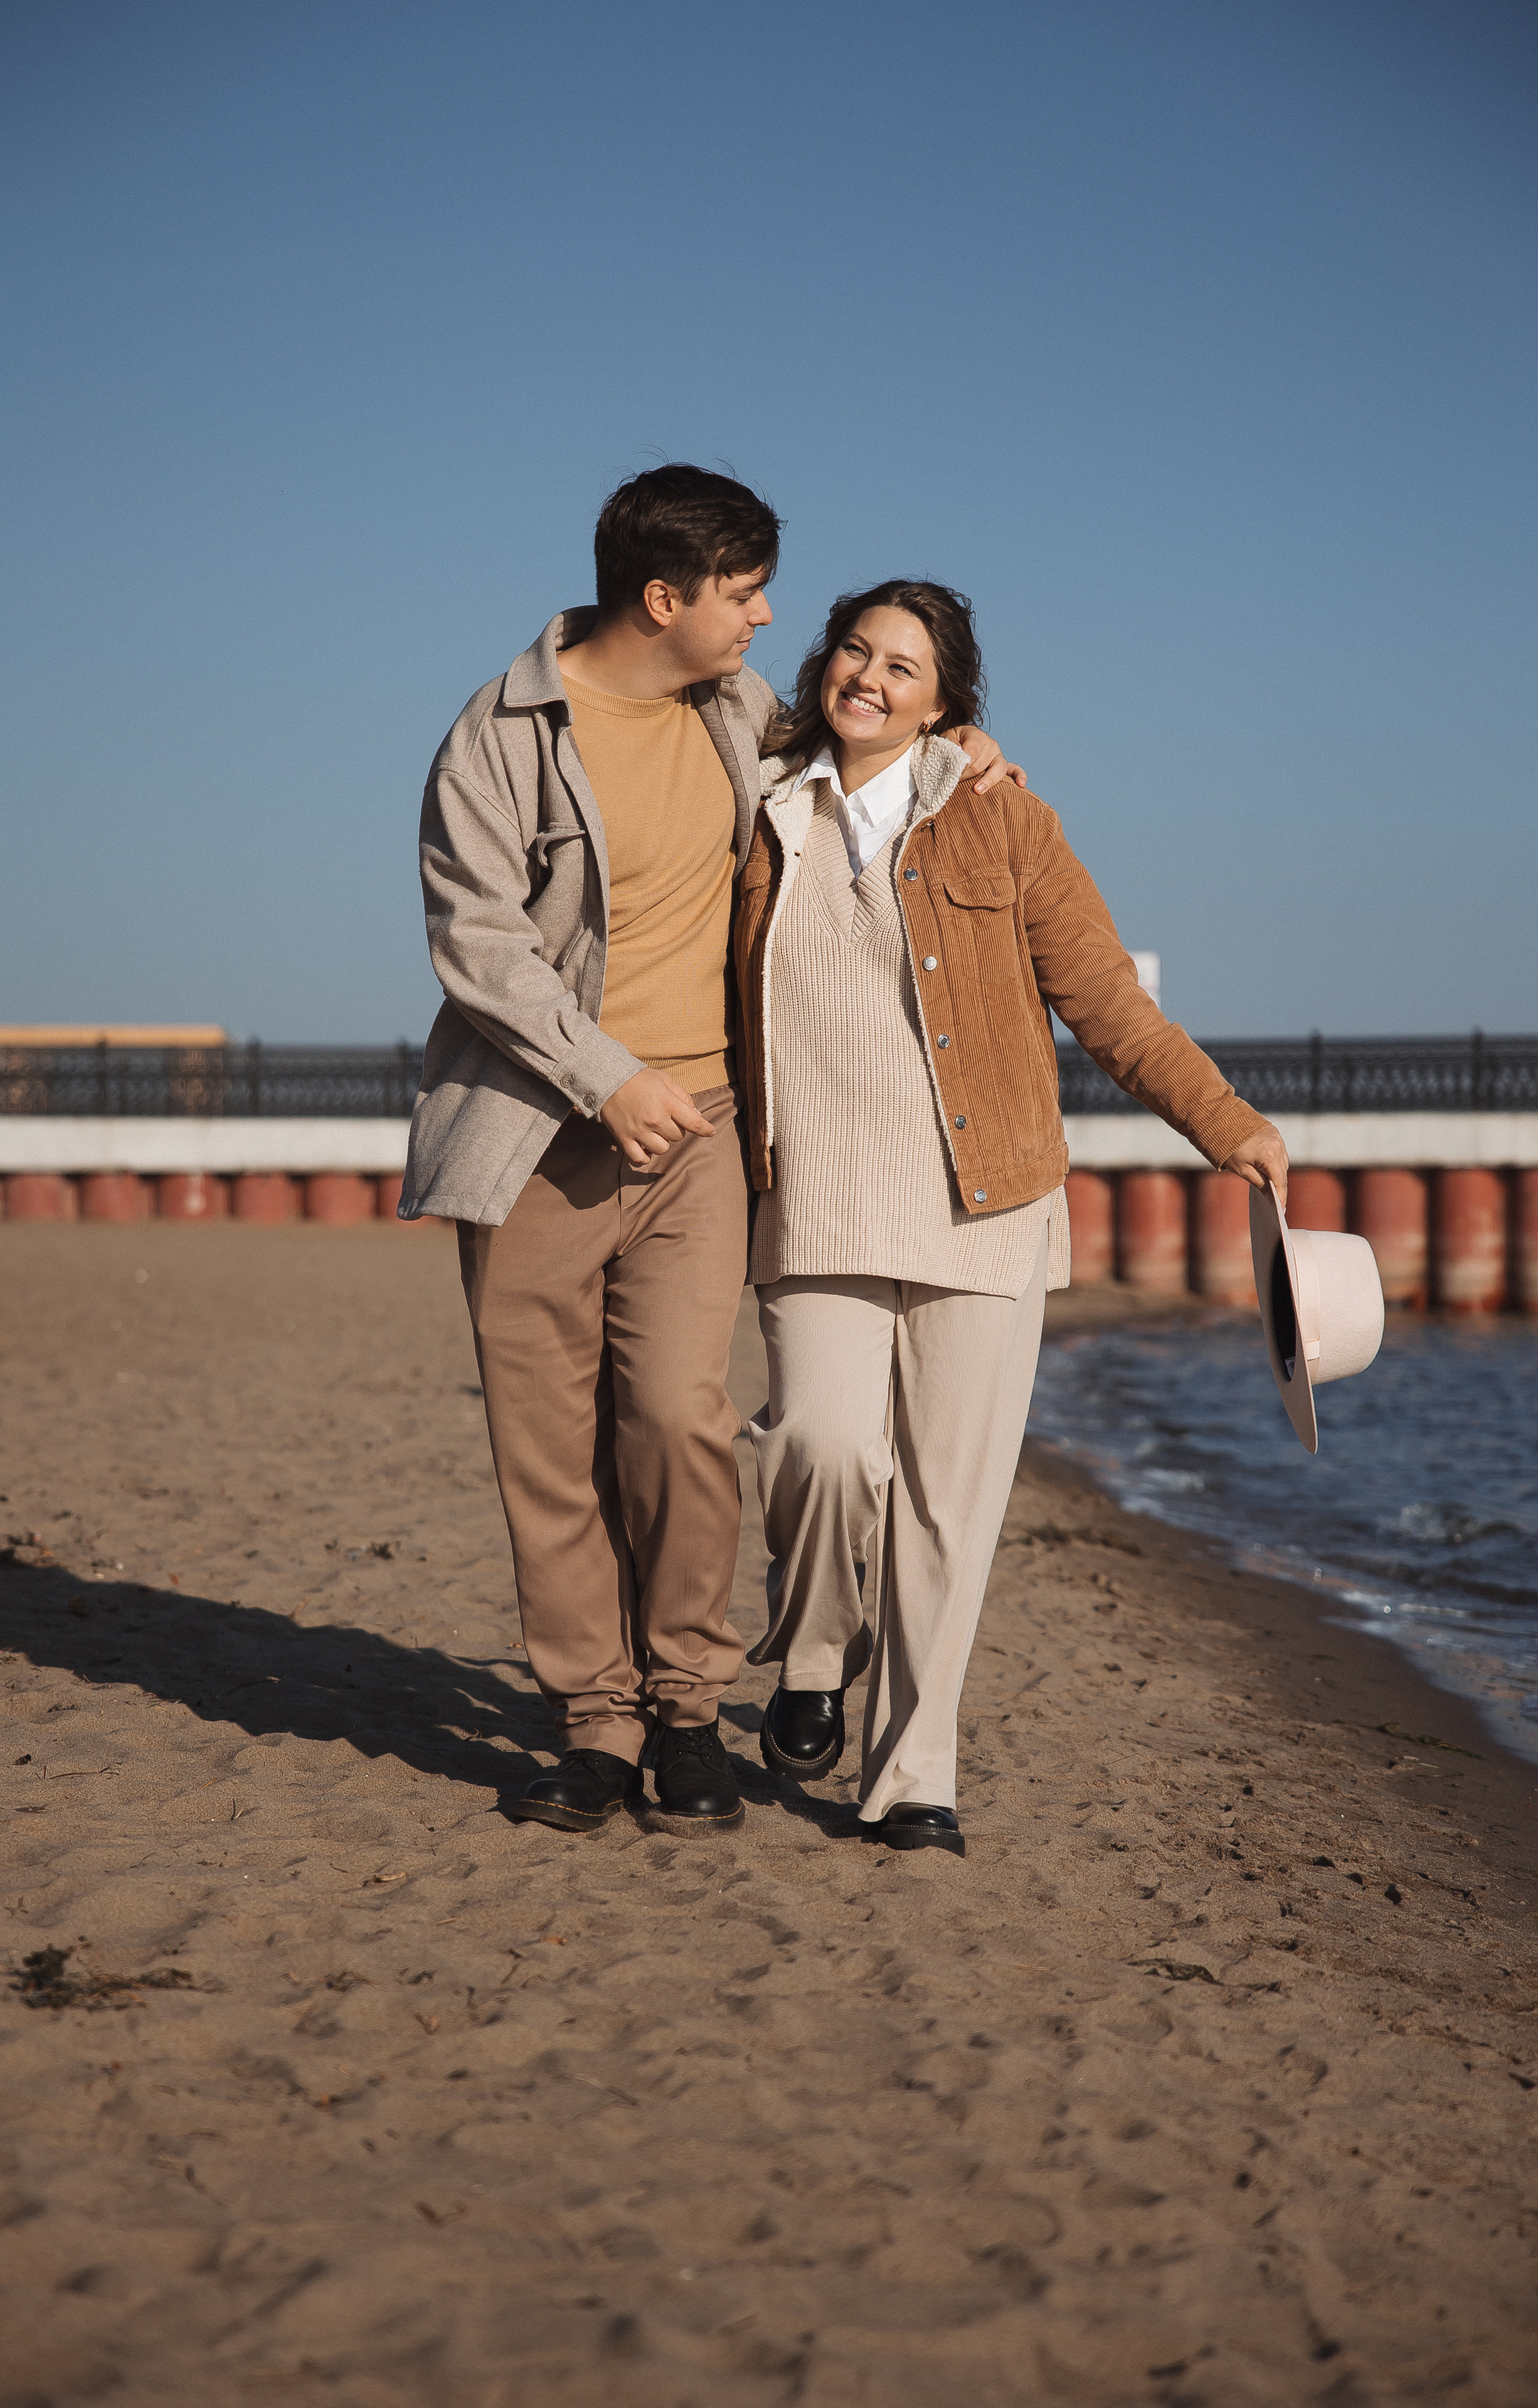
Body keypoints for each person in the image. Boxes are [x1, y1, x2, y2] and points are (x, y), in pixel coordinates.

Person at [400, 472, 1019, 1838]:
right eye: (744, 593)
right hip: (532, 1140)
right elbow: (477, 944)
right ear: (664, 598)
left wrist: (962, 750)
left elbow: (870, 757)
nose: (770, 617)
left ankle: (686, 1705)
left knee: (677, 1421)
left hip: (701, 1137)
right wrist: (601, 1077)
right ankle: (595, 1723)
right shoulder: (498, 737)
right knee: (548, 1450)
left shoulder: (741, 712)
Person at [733, 581, 1288, 1856]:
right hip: (815, 1194)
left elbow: (1105, 1001)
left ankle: (911, 1775)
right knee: (816, 1446)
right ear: (824, 666)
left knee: (948, 1505)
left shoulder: (999, 818)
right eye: (855, 653)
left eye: (905, 668)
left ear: (948, 704)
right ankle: (814, 1656)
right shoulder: (759, 805)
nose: (870, 678)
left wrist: (1226, 1123)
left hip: (984, 1204)